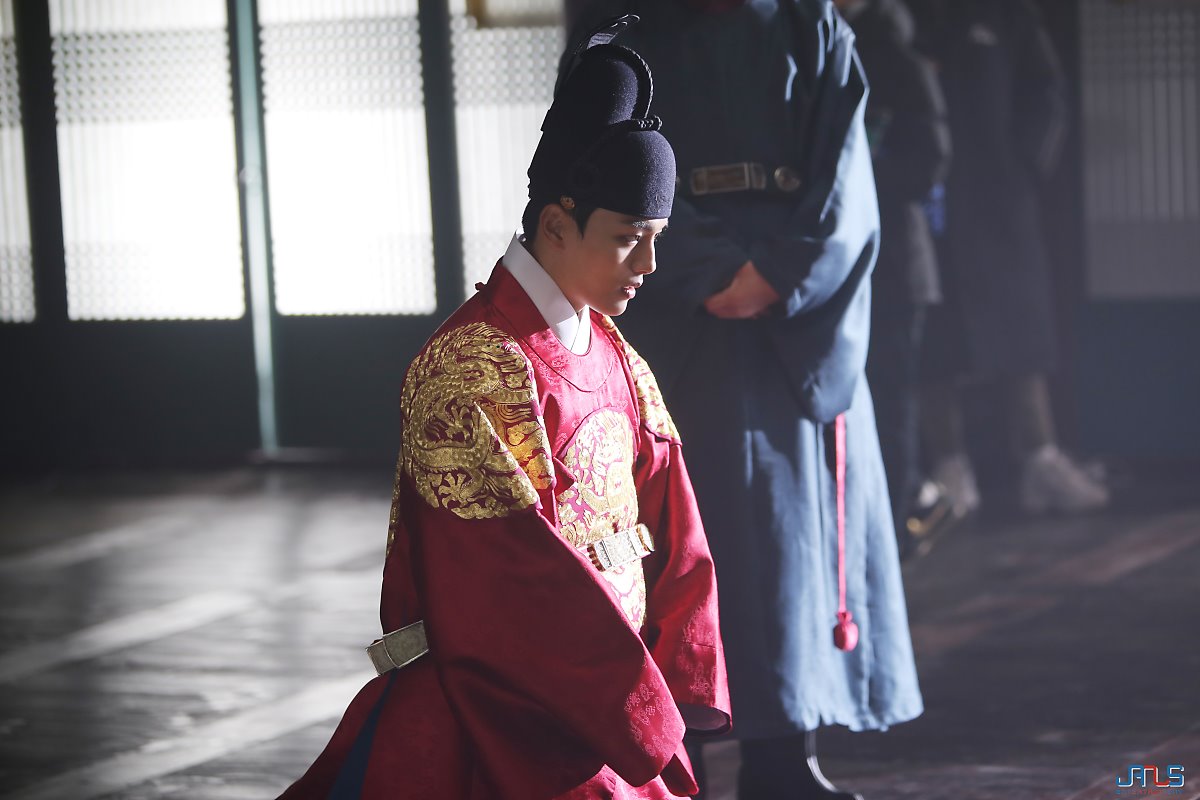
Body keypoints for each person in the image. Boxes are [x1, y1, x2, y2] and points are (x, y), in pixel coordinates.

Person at [276, 22, 730, 800]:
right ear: (555, 224)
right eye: (628, 239)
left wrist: (675, 669)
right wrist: (635, 705)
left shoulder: (615, 353)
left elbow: (675, 520)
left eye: (656, 238)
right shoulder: (473, 368)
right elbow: (512, 581)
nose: (650, 264)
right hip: (499, 707)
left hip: (604, 694)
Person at [566, 2, 923, 798]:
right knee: (681, 535)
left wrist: (786, 272)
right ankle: (670, 757)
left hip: (797, 306)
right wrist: (699, 265)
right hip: (674, 300)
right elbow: (596, 159)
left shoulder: (812, 24)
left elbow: (847, 171)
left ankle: (786, 755)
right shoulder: (625, 32)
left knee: (792, 541)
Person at [906, 0, 1109, 517]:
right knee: (934, 338)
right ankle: (950, 469)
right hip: (930, 197)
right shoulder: (906, 16)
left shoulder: (1008, 14)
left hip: (1000, 193)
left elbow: (1047, 91)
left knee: (1024, 332)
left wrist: (1024, 164)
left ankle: (1041, 458)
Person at [834, 0, 954, 558]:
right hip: (839, 263)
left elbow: (930, 158)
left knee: (891, 401)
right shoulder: (815, 45)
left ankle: (895, 534)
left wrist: (856, 180)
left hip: (898, 265)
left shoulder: (895, 56)